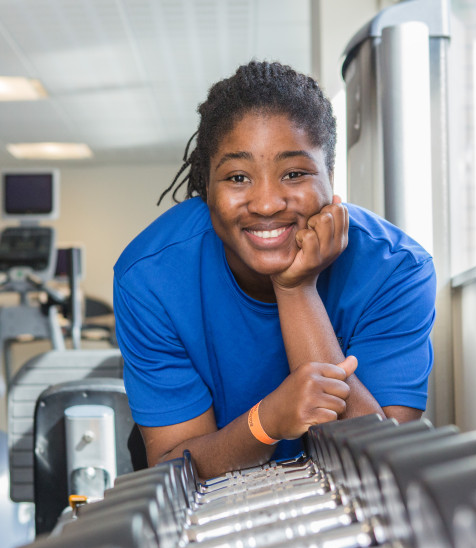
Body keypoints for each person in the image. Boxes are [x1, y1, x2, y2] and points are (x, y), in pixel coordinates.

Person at [113, 60, 435, 480]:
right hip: (214, 507)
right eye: (238, 177)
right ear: (206, 188)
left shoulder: (398, 270)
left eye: (295, 173)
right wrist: (266, 422)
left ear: (331, 177)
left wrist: (296, 288)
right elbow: (173, 469)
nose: (266, 203)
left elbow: (382, 468)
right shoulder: (149, 278)